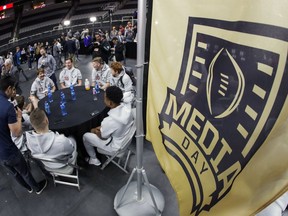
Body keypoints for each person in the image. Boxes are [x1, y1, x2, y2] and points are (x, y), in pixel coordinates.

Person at [0, 76, 47, 194]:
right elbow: (16, 133)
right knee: (24, 171)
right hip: (9, 150)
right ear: (9, 88)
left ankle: (28, 188)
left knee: (14, 173)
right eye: (14, 89)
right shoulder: (7, 107)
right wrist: (19, 116)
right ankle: (37, 188)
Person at [83, 86, 134, 166]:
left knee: (86, 136)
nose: (103, 100)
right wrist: (101, 128)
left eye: (105, 98)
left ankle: (93, 159)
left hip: (116, 147)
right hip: (125, 139)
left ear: (110, 103)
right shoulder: (128, 108)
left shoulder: (110, 121)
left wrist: (94, 130)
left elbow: (103, 137)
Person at [26, 108, 78, 174]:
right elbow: (71, 150)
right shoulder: (61, 141)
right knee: (72, 137)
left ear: (32, 125)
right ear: (47, 120)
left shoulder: (29, 141)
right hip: (64, 164)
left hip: (48, 166)